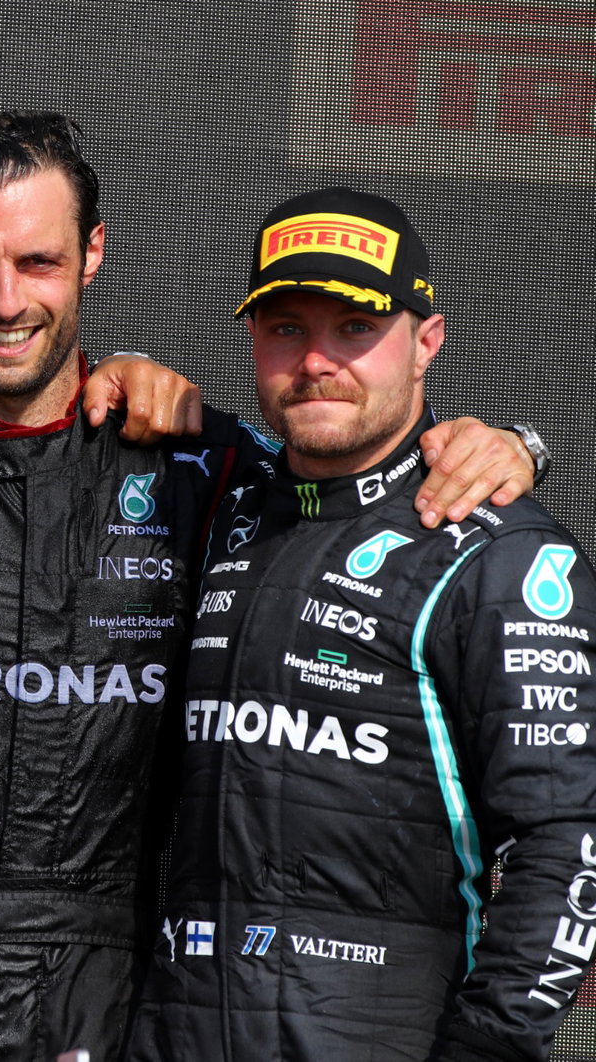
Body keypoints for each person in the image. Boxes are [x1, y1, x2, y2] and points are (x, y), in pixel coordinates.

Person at [0, 114, 542, 1062]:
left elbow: (353, 487)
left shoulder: (201, 469)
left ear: (93, 253)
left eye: (38, 262)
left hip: (108, 1002)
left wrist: (505, 450)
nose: (7, 300)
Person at [127, 188, 595, 1061]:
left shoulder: (501, 555)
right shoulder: (217, 496)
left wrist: (487, 1049)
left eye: (354, 328)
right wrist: (120, 365)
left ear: (426, 342)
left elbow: (567, 842)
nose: (315, 360)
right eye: (285, 328)